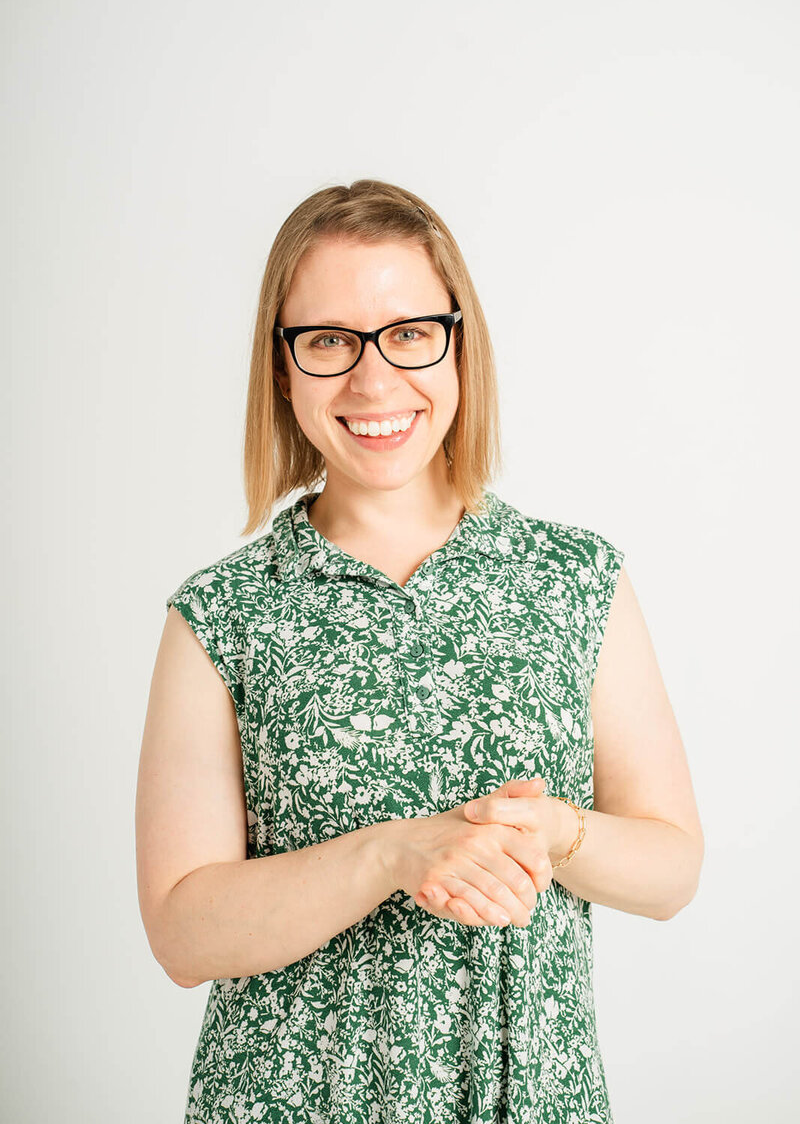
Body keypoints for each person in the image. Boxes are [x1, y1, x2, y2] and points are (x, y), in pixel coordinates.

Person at [136, 179, 704, 1124]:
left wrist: (560, 833)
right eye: (327, 342)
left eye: (408, 333)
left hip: (525, 1098)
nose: (372, 381)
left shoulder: (573, 578)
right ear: (281, 370)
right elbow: (182, 933)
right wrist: (392, 855)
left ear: (458, 345)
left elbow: (673, 870)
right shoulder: (222, 614)